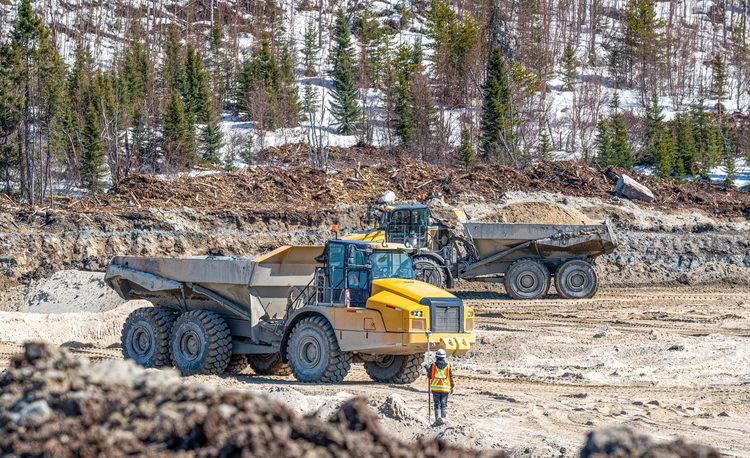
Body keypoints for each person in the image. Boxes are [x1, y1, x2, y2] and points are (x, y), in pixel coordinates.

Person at [426, 348, 454, 425]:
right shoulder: (448, 365)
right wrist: (452, 387)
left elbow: (429, 376)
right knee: (443, 404)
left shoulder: (433, 365)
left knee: (437, 404)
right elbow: (451, 377)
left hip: (435, 388)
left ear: (436, 357)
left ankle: (437, 420)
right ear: (444, 357)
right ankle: (443, 419)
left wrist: (428, 369)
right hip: (445, 389)